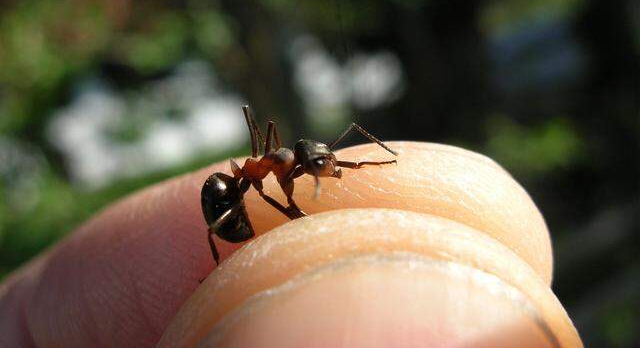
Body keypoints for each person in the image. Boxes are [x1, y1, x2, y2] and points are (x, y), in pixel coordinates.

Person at [0, 142, 582, 347]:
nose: (319, 170)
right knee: (265, 228)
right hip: (225, 199)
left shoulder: (283, 166)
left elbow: (297, 167)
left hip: (244, 186)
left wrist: (330, 169)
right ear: (286, 162)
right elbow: (272, 180)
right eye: (317, 166)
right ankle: (217, 265)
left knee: (292, 219)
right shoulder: (260, 174)